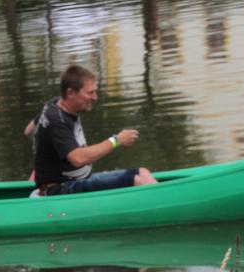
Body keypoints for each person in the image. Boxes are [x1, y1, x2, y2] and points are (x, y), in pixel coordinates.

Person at [28, 65, 157, 196]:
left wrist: (42, 157)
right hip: (59, 188)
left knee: (142, 172)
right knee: (135, 180)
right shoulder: (57, 120)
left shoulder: (54, 103)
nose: (95, 97)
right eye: (90, 93)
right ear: (71, 93)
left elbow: (28, 131)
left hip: (78, 180)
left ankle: (162, 198)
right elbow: (77, 158)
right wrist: (116, 141)